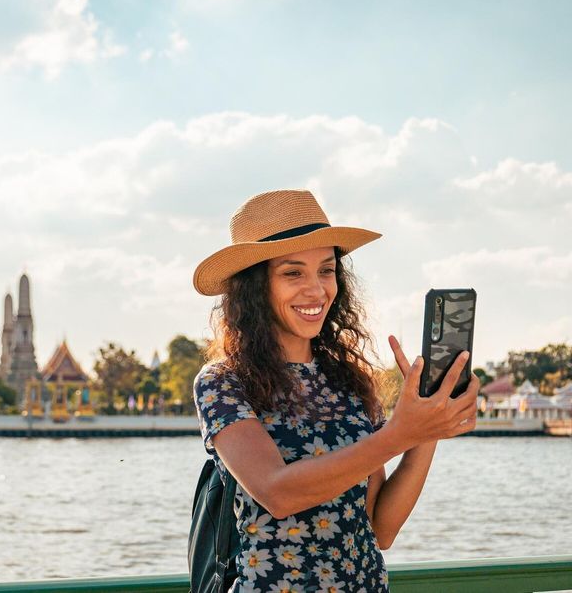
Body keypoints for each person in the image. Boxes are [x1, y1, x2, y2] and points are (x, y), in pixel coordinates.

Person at [191, 189, 479, 593]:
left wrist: (426, 428)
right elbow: (278, 492)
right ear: (254, 288)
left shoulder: (348, 379)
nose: (316, 289)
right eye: (294, 273)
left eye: (326, 271)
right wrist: (400, 434)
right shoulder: (223, 380)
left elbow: (381, 528)